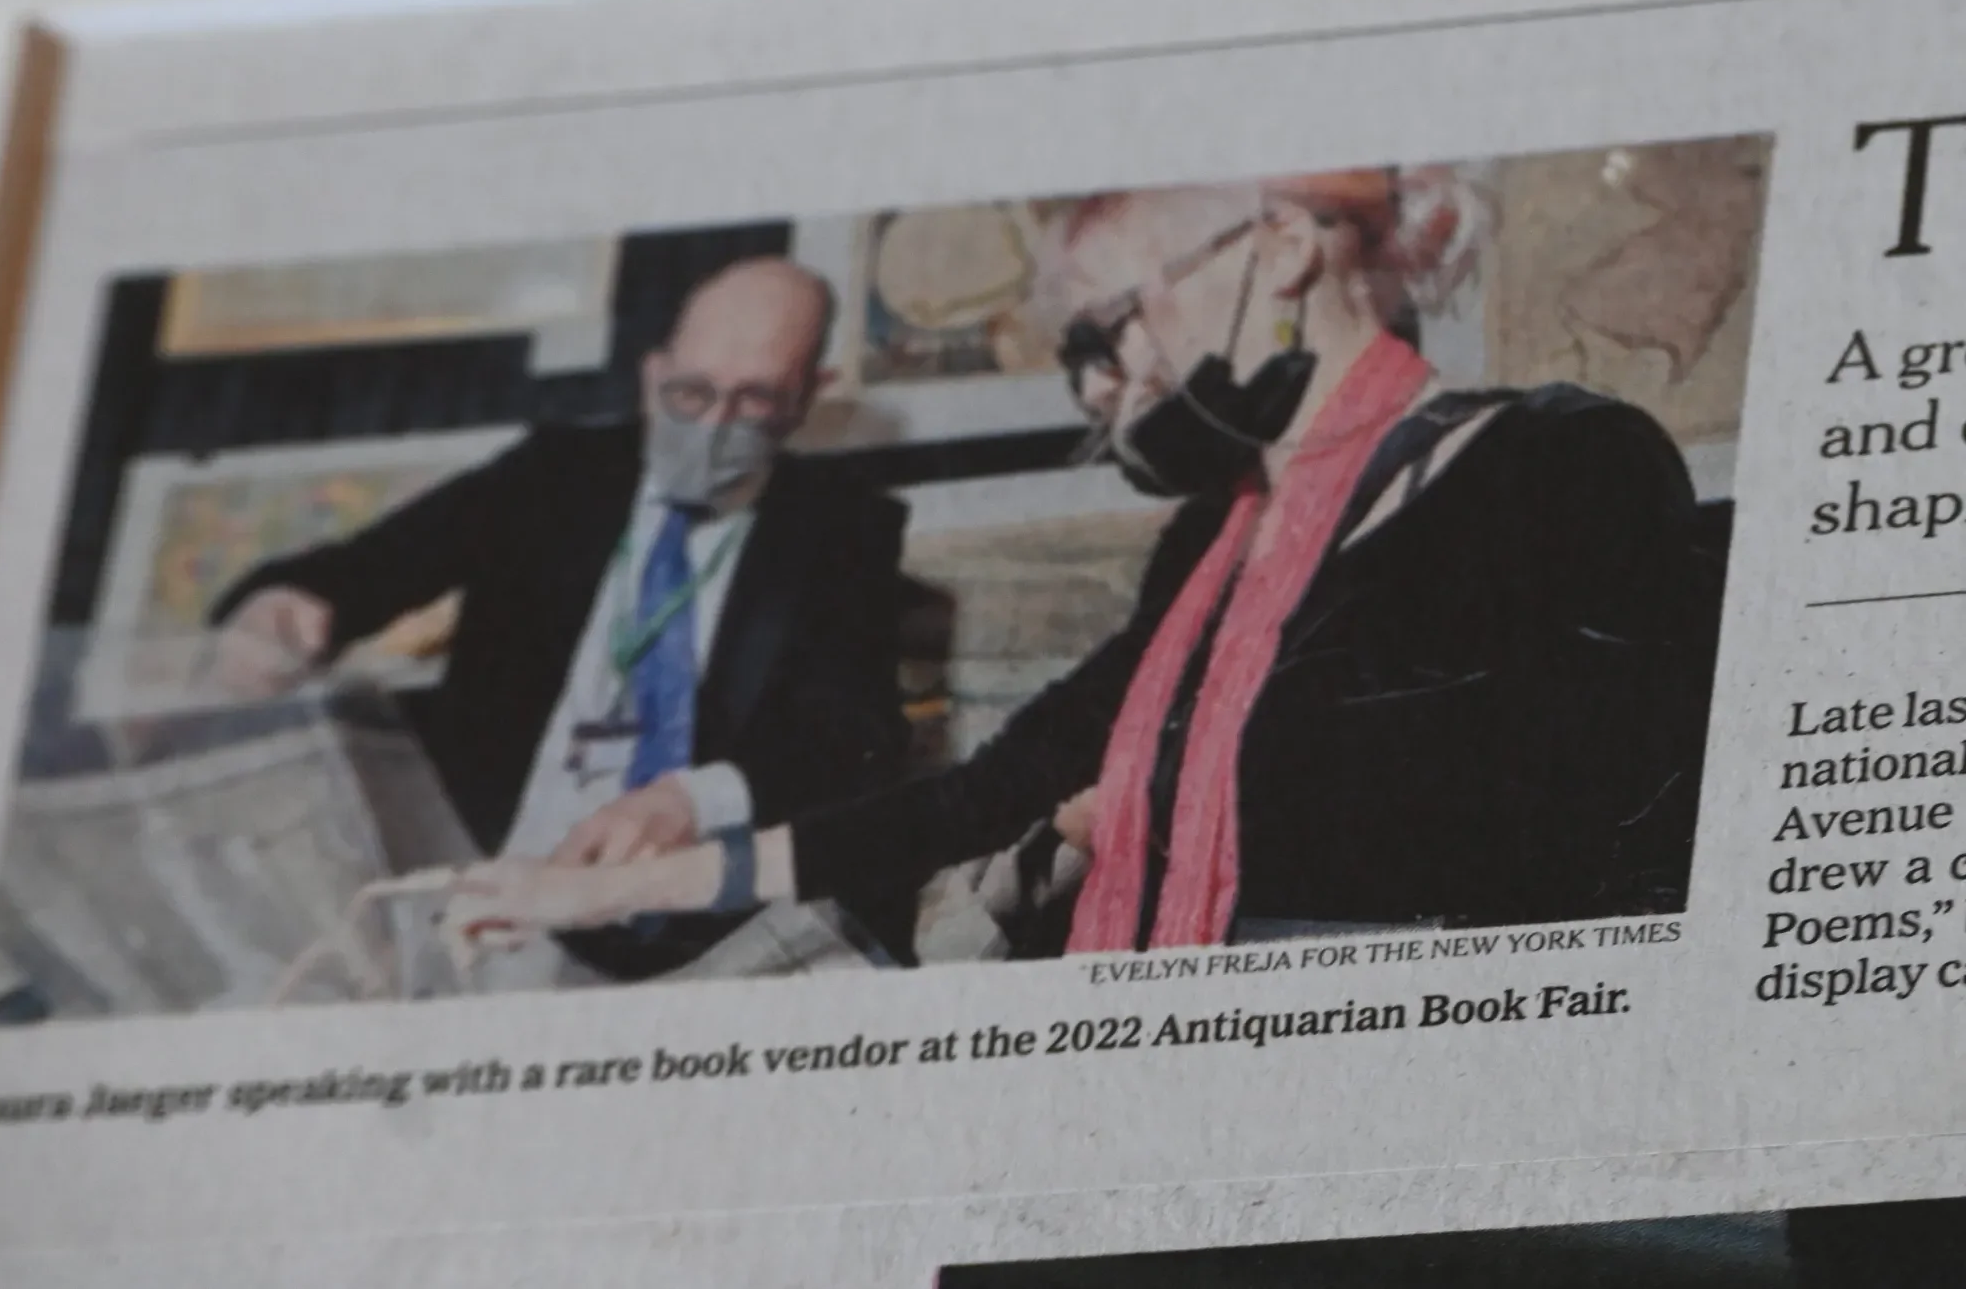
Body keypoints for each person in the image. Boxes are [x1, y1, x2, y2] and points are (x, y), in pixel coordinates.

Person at [446, 168, 1721, 958]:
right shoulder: (1213, 537)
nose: (1111, 393)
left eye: (1116, 330)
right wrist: (630, 880)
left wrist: (1134, 813)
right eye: (1085, 364)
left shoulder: (1552, 464)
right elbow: (983, 793)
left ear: (1278, 249)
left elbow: (1577, 857)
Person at [207, 257, 911, 982]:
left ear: (809, 397)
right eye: (691, 392)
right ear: (652, 375)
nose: (713, 425)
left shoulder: (842, 530)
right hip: (489, 871)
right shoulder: (555, 475)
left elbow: (855, 741)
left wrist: (693, 802)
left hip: (681, 924)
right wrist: (285, 604)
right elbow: (367, 568)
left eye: (756, 399)